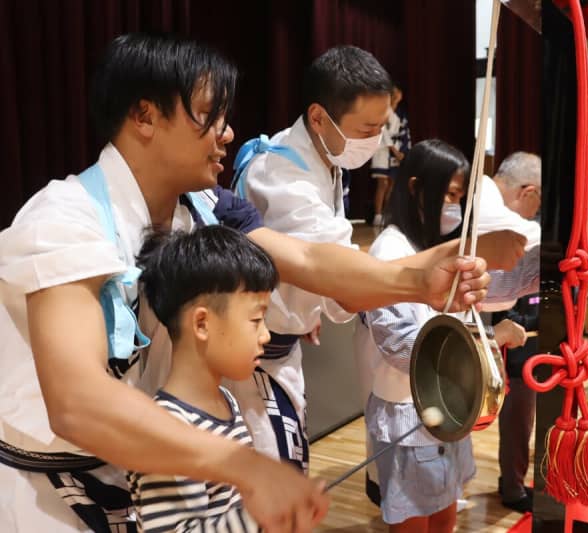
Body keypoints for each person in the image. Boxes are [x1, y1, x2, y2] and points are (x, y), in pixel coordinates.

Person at [0, 33, 492, 532]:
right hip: (48, 496)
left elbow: (307, 259)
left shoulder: (205, 206)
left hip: (145, 466)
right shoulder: (63, 221)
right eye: (209, 117)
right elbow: (77, 403)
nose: (228, 132)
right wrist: (245, 466)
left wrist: (414, 280)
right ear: (144, 116)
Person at [233, 45, 524, 472]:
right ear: (319, 117)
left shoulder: (323, 160)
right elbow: (335, 276)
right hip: (252, 362)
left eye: (380, 127)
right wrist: (458, 251)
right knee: (268, 485)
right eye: (367, 128)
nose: (374, 141)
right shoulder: (281, 175)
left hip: (283, 349)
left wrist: (308, 303)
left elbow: (332, 274)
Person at [355, 140, 539, 532]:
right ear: (417, 189)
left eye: (460, 196)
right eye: (449, 195)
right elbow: (404, 348)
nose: (454, 206)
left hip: (449, 409)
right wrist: (491, 340)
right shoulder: (390, 251)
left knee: (445, 521)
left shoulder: (433, 245)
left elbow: (493, 289)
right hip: (409, 415)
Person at [129, 225, 279, 531]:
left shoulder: (227, 401)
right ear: (201, 323)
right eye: (256, 320)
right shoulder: (166, 434)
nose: (266, 335)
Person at [489, 151, 542, 512]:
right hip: (506, 343)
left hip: (513, 334)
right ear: (528, 191)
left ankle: (511, 481)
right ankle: (512, 488)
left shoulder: (498, 215)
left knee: (518, 422)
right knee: (517, 420)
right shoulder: (503, 224)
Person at [370, 85, 411, 227]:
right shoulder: (383, 111)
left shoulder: (401, 113)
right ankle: (377, 215)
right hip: (382, 149)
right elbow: (382, 130)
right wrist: (394, 150)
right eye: (396, 93)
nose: (399, 95)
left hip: (396, 149)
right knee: (383, 184)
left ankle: (388, 215)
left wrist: (403, 152)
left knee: (392, 184)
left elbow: (404, 133)